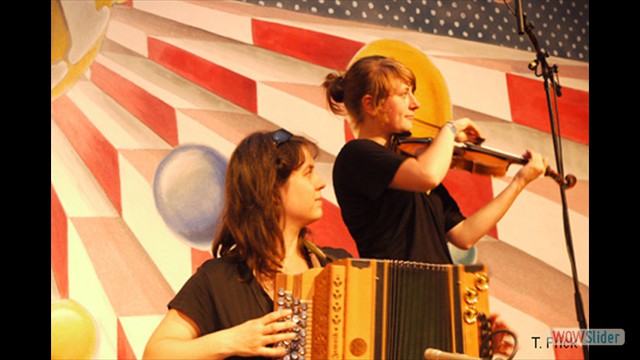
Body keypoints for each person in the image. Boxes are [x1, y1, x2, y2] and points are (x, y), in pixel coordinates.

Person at [143, 129, 350, 360]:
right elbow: (155, 353)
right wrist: (231, 340)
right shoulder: (220, 279)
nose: (320, 183)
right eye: (307, 173)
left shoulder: (339, 267)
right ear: (271, 190)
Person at [324, 55, 548, 264]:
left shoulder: (408, 165)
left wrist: (519, 182)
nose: (415, 103)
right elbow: (428, 175)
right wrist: (449, 129)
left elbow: (464, 235)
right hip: (396, 293)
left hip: (438, 290)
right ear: (371, 105)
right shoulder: (357, 155)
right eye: (403, 94)